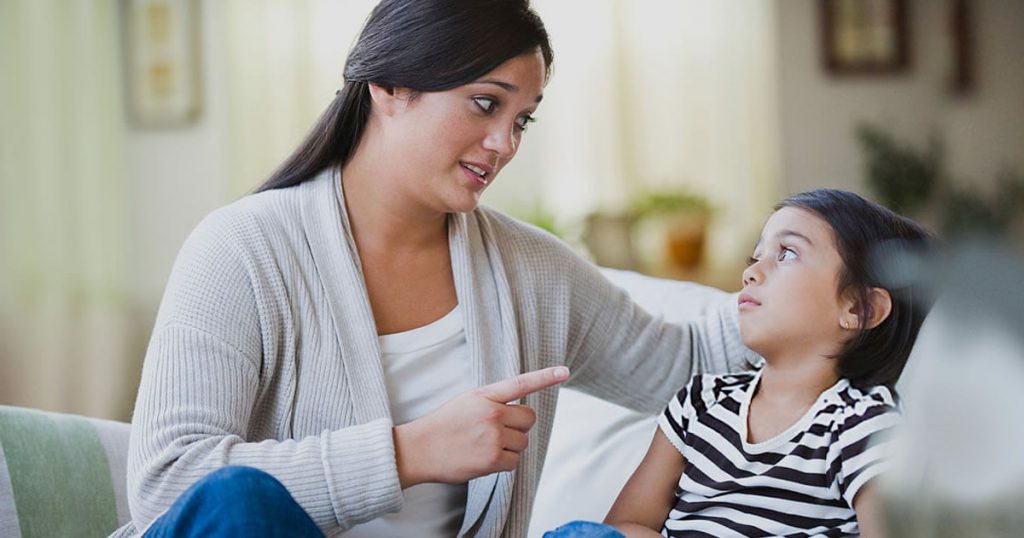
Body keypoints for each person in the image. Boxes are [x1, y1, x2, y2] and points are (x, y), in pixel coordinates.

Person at [114, 1, 756, 536]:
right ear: (390, 87)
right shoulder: (242, 247)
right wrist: (410, 452)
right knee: (240, 501)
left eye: (521, 119)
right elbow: (170, 482)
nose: (505, 144)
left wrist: (818, 277)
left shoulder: (533, 272)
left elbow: (687, 361)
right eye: (485, 104)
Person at [545, 189, 933, 537]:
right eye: (756, 255)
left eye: (787, 254)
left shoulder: (859, 425)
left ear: (859, 308)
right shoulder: (700, 402)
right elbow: (627, 524)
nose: (751, 272)